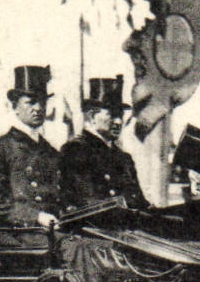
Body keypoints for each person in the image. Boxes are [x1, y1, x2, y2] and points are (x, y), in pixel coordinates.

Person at [0, 66, 62, 228]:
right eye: (30, 102)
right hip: (17, 235)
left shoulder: (51, 152)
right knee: (78, 249)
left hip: (49, 232)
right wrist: (35, 216)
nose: (38, 108)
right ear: (15, 107)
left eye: (43, 101)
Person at [59, 76, 148, 212]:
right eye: (112, 114)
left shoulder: (124, 159)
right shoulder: (75, 151)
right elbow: (86, 202)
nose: (118, 122)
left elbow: (140, 204)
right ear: (91, 116)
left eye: (120, 115)